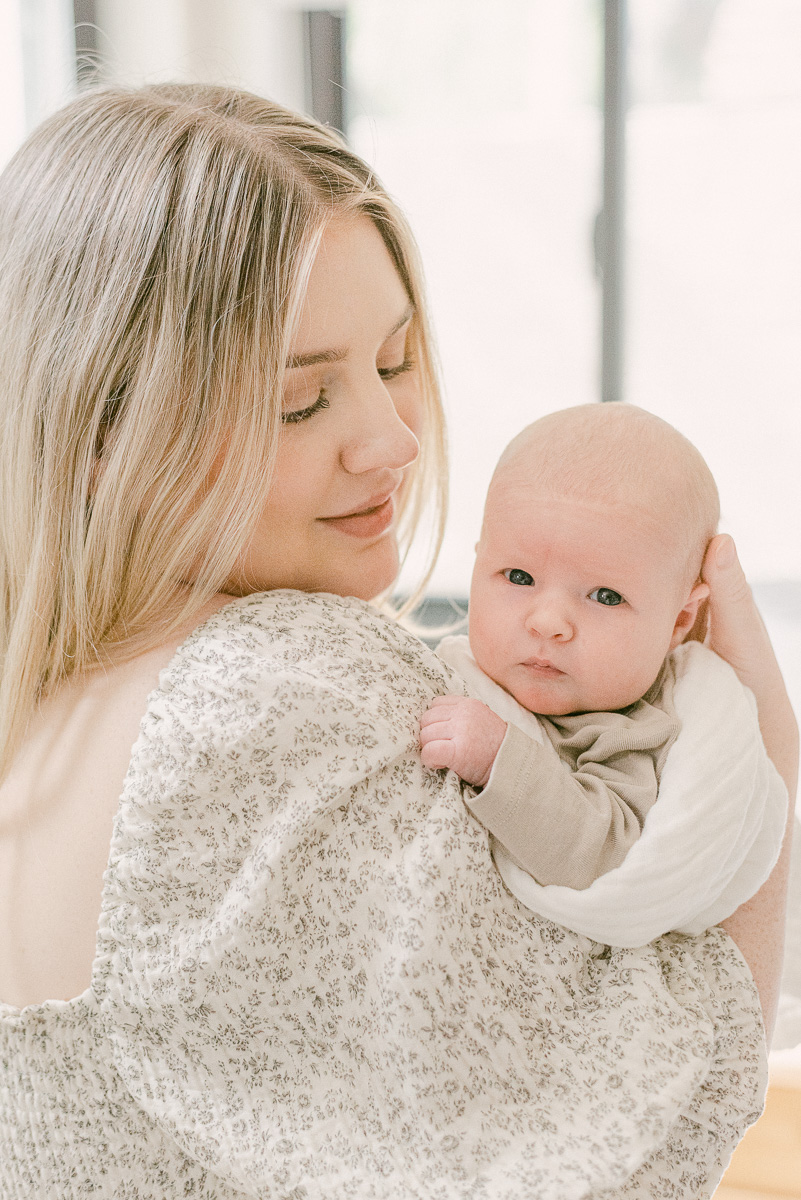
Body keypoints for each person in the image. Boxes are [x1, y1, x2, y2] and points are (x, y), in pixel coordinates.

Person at [0, 84, 795, 1200]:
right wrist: (759, 751)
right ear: (104, 427)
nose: (390, 440)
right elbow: (628, 1138)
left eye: (394, 359)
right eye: (300, 403)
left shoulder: (48, 697)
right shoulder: (274, 686)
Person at [420, 405, 787, 946]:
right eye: (518, 576)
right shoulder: (454, 670)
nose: (547, 622)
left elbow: (606, 854)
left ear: (679, 621)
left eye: (605, 596)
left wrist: (499, 757)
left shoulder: (630, 730)